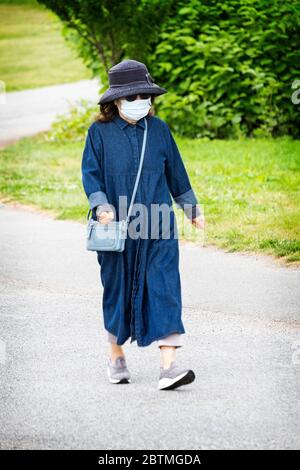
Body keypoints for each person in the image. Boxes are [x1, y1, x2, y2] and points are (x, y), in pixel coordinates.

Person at [81, 59, 204, 390]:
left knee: (164, 287)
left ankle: (169, 368)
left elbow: (176, 172)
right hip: (116, 228)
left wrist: (192, 209)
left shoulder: (159, 129)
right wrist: (102, 206)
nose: (140, 103)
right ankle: (116, 357)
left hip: (158, 224)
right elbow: (90, 176)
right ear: (116, 100)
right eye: (133, 97)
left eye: (144, 96)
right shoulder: (99, 133)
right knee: (116, 291)